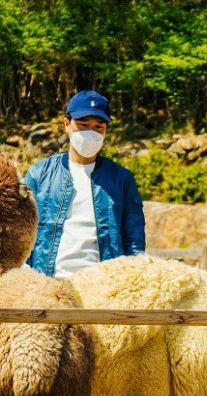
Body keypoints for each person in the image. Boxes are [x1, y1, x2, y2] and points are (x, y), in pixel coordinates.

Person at [24, 90, 146, 279]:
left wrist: (132, 281)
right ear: (67, 124)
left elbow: (134, 242)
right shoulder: (39, 175)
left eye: (98, 126)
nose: (91, 132)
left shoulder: (122, 179)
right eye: (83, 125)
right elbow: (19, 233)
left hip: (103, 287)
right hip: (48, 285)